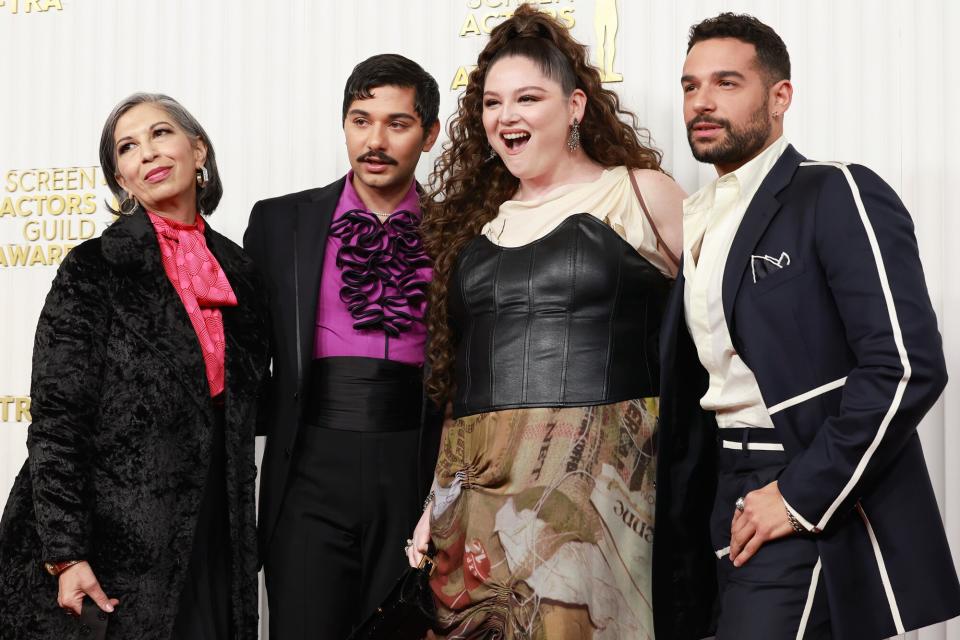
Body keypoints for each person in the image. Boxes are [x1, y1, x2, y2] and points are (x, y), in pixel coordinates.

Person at [655, 12, 960, 640]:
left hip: (797, 480)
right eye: (689, 86)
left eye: (726, 83)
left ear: (779, 97)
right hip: (717, 488)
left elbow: (905, 366)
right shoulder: (697, 218)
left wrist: (795, 495)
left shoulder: (833, 192)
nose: (702, 103)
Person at [407, 6, 686, 638]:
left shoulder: (639, 193)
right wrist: (435, 504)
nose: (507, 117)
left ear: (577, 106)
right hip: (478, 501)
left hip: (593, 509)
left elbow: (722, 329)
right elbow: (460, 391)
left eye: (528, 98)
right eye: (492, 103)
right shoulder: (479, 226)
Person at [0, 93, 270, 640]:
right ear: (121, 178)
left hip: (215, 529)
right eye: (128, 147)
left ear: (199, 151)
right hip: (113, 541)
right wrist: (66, 553)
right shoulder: (92, 269)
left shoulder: (240, 271)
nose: (147, 152)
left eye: (161, 134)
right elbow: (57, 422)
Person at [243, 53, 442, 638]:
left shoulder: (461, 228)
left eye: (397, 124)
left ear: (428, 134)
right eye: (360, 120)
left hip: (415, 471)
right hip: (307, 474)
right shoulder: (280, 223)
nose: (375, 140)